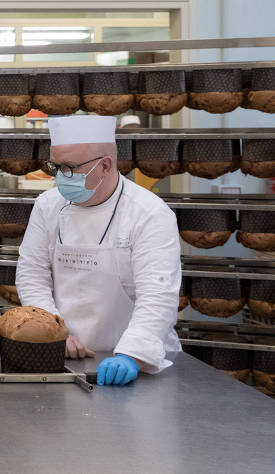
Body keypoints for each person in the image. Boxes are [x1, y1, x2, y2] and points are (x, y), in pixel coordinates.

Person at [16, 115, 182, 386]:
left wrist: (132, 354)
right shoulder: (47, 205)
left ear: (105, 165)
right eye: (55, 166)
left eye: (69, 167)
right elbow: (31, 274)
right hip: (62, 357)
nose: (60, 177)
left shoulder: (149, 213)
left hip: (135, 363)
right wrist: (53, 333)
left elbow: (158, 293)